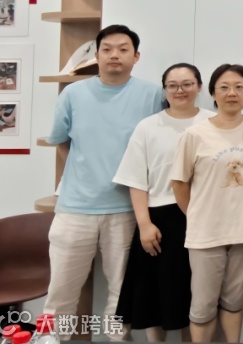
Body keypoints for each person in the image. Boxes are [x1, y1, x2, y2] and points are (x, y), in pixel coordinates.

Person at [43, 25, 165, 340]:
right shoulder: (73, 94)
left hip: (127, 209)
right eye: (107, 49)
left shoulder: (153, 95)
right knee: (60, 293)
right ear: (96, 55)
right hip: (75, 208)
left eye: (123, 49)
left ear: (136, 56)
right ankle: (52, 338)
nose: (114, 55)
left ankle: (116, 339)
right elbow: (61, 141)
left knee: (121, 294)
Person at [113, 63, 213, 341]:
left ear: (199, 87)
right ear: (165, 89)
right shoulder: (148, 126)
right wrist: (144, 224)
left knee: (195, 296)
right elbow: (136, 179)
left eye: (187, 84)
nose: (180, 90)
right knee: (153, 295)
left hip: (202, 217)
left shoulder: (213, 122)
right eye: (173, 85)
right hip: (159, 220)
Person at [171, 64, 243, 344]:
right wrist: (198, 215)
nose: (231, 93)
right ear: (213, 92)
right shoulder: (195, 134)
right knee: (203, 305)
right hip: (206, 233)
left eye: (239, 87)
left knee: (234, 301)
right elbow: (179, 183)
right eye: (224, 87)